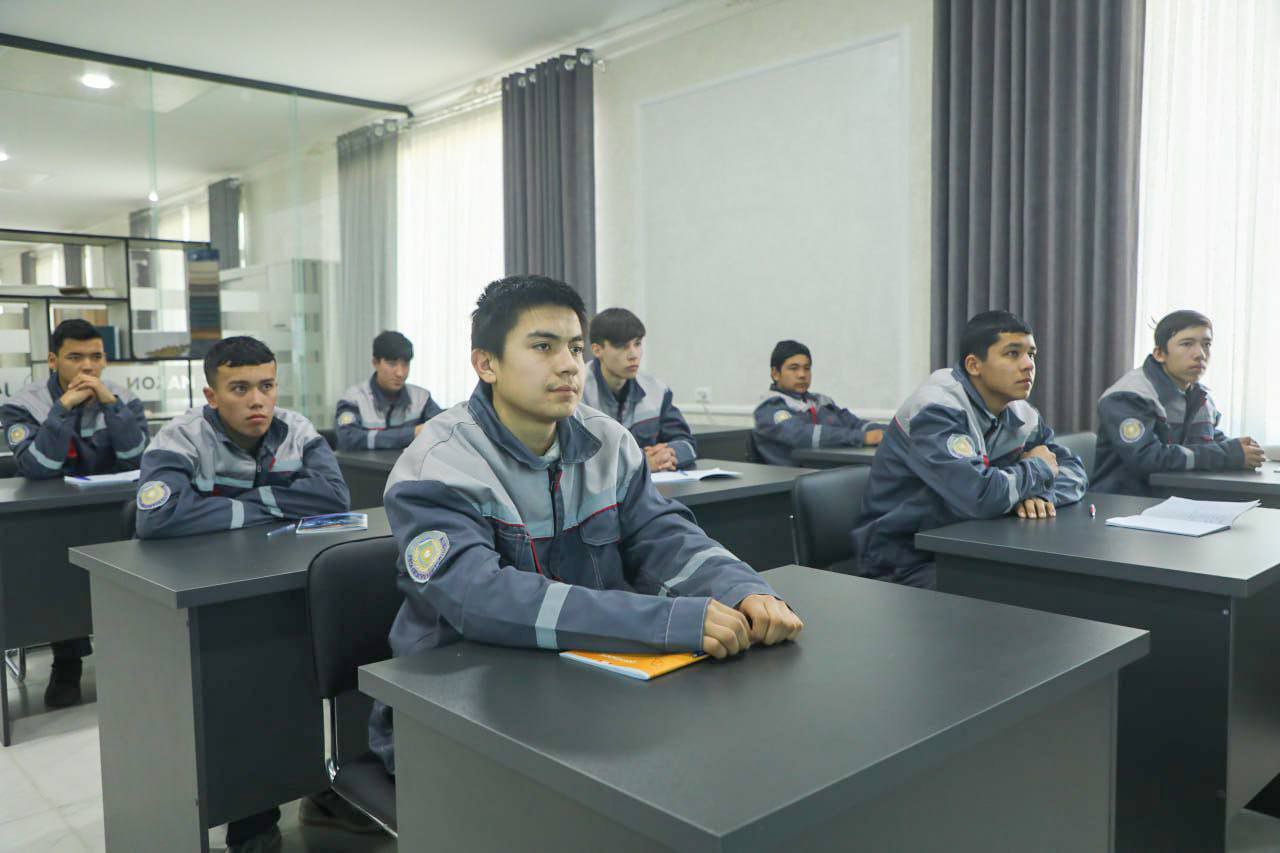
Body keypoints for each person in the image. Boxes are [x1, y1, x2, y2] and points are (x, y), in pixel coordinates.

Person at [368, 275, 803, 773]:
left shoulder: (608, 442)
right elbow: (482, 598)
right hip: (452, 708)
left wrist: (740, 589)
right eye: (543, 347)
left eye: (575, 348)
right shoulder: (438, 463)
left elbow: (664, 535)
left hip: (582, 686)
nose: (568, 365)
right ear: (486, 364)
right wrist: (660, 622)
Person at [135, 336, 373, 852]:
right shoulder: (179, 438)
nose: (257, 401)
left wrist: (232, 502)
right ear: (211, 395)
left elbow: (334, 497)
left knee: (315, 673)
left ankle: (325, 784)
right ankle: (250, 814)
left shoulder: (296, 429)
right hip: (214, 597)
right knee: (244, 691)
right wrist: (276, 503)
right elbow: (158, 517)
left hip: (289, 584)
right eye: (239, 389)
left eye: (266, 386)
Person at [852, 311, 1087, 589]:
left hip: (970, 548)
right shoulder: (936, 409)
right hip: (905, 561)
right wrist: (1038, 470)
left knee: (1054, 586)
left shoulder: (1022, 414)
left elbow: (1075, 472)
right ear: (974, 365)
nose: (1028, 365)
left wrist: (1039, 495)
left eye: (1031, 354)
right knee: (1025, 593)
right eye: (1012, 354)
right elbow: (980, 495)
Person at [0, 319, 148, 708]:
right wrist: (62, 409)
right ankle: (67, 662)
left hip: (111, 513)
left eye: (96, 357)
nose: (88, 367)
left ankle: (130, 655)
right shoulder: (23, 405)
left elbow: (138, 459)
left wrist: (112, 407)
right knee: (56, 568)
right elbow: (39, 466)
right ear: (53, 360)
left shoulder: (122, 398)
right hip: (50, 518)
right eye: (75, 357)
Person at [1092, 310, 1264, 495]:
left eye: (1206, 344)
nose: (1200, 354)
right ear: (1159, 354)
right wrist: (1228, 454)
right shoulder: (1129, 396)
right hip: (1125, 503)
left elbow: (1206, 439)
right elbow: (1147, 458)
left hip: (1175, 498)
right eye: (1187, 344)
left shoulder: (1198, 395)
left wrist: (1241, 449)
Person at [581, 308, 697, 471]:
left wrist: (669, 453)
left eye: (637, 344)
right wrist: (639, 464)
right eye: (622, 346)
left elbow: (687, 444)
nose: (633, 355)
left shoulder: (656, 390)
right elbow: (574, 458)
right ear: (597, 350)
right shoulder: (576, 392)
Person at [752, 340, 884, 466]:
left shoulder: (820, 401)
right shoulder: (770, 408)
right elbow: (803, 435)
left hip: (830, 470)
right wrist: (863, 438)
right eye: (794, 368)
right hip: (794, 477)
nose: (802, 375)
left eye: (807, 368)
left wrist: (889, 432)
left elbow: (854, 424)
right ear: (775, 373)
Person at [334, 330, 442, 451]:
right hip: (366, 464)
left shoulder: (421, 398)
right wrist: (411, 434)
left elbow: (443, 430)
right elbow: (348, 439)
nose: (400, 373)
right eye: (392, 364)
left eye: (405, 364)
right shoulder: (354, 399)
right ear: (375, 362)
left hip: (411, 463)